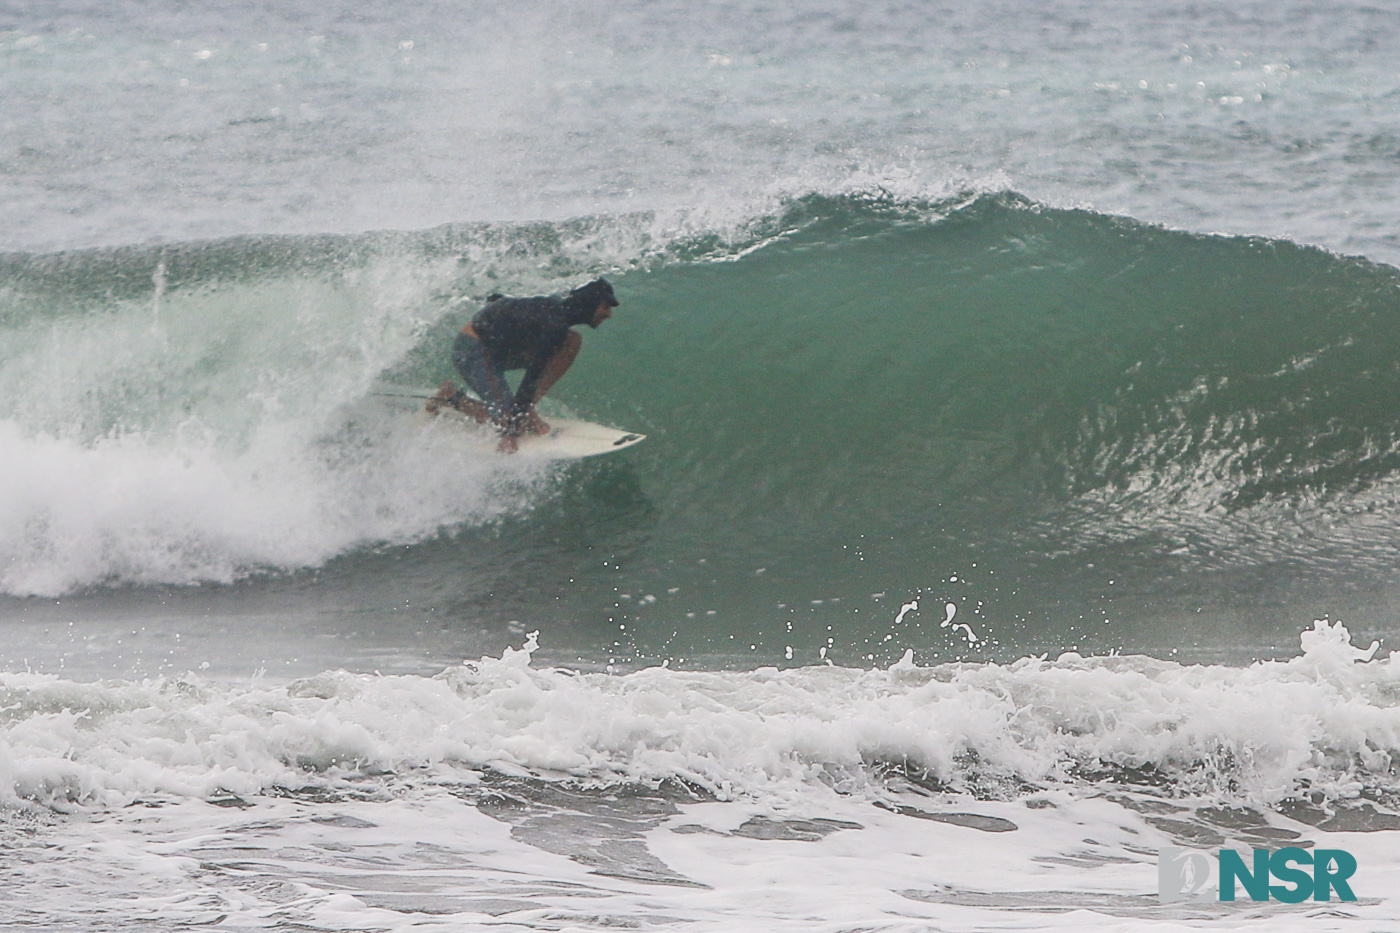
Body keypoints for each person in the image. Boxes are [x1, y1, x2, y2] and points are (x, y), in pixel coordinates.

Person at [427, 278, 619, 452]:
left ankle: (524, 409)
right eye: (606, 307)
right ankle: (450, 397)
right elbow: (532, 377)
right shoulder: (553, 323)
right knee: (508, 421)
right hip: (472, 350)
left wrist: (523, 408)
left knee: (572, 341)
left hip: (500, 350)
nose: (609, 314)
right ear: (590, 303)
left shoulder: (559, 312)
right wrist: (511, 433)